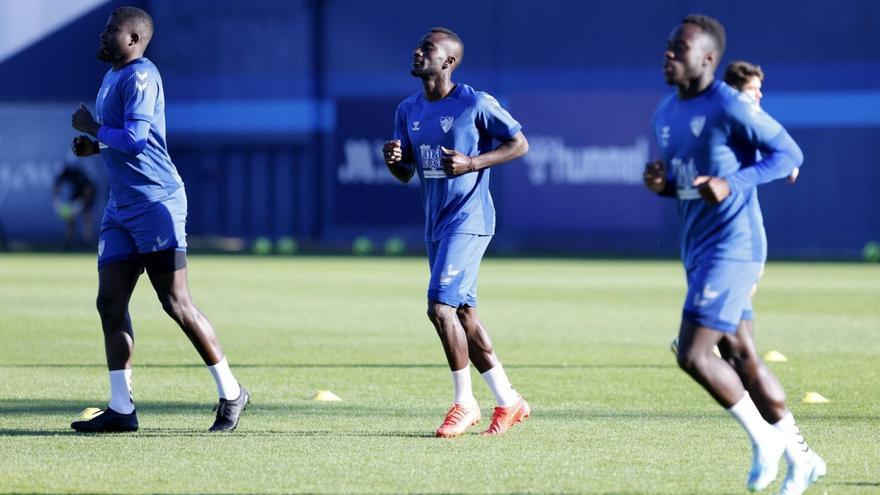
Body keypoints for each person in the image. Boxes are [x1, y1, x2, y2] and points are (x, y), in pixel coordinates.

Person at [644, 15, 825, 495]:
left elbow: (789, 155)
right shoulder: (664, 113)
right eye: (667, 46)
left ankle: (765, 441)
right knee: (739, 353)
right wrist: (663, 185)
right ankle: (802, 458)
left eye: (679, 49)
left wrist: (734, 181)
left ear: (707, 59)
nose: (668, 54)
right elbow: (689, 186)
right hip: (698, 248)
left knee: (692, 352)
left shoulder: (730, 106)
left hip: (735, 245)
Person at [69, 6, 249, 433]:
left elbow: (133, 139)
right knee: (110, 304)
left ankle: (232, 392)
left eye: (112, 30)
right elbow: (134, 140)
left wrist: (94, 130)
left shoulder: (141, 75)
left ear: (133, 39)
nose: (103, 34)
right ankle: (121, 408)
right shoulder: (114, 75)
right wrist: (97, 148)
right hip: (121, 208)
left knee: (175, 303)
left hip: (156, 202)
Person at [383, 27, 530, 438]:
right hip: (436, 222)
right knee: (464, 315)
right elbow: (405, 172)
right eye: (418, 46)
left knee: (439, 309)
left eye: (426, 49)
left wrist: (472, 163)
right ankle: (509, 399)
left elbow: (519, 144)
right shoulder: (407, 109)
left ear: (448, 62)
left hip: (470, 220)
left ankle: (465, 404)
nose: (417, 52)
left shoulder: (475, 103)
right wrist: (393, 160)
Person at [724, 61, 799, 183]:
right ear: (734, 90)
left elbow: (757, 164)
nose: (759, 94)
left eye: (759, 89)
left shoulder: (750, 122)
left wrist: (786, 166)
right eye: (752, 89)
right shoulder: (723, 117)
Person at [52, 159, 97, 250]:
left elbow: (88, 190)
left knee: (87, 215)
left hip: (89, 192)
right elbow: (56, 185)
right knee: (70, 216)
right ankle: (70, 241)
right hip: (77, 192)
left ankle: (87, 241)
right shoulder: (65, 171)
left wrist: (81, 203)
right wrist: (56, 202)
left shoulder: (82, 173)